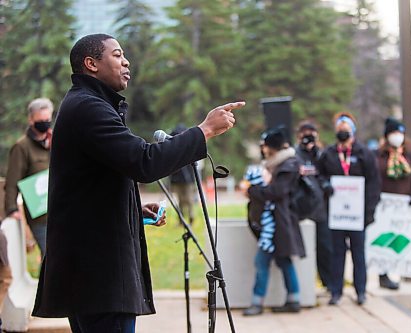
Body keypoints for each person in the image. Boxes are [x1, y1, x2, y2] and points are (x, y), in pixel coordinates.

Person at [32, 34, 244, 333]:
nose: (126, 61)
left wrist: (134, 209)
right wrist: (204, 130)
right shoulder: (88, 108)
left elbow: (91, 187)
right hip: (99, 276)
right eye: (117, 55)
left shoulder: (88, 104)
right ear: (91, 64)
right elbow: (143, 162)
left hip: (89, 274)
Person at [317, 112, 381, 306]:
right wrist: (325, 185)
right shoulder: (329, 154)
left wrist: (368, 211)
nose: (343, 133)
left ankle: (360, 290)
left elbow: (373, 183)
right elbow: (319, 176)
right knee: (337, 253)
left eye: (346, 130)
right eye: (340, 130)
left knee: (358, 253)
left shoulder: (364, 154)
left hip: (357, 214)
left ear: (352, 131)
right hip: (336, 213)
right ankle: (336, 291)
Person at [242, 127, 305, 316]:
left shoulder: (287, 165)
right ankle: (293, 300)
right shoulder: (277, 164)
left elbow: (277, 192)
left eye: (265, 146)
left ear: (272, 148)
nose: (263, 150)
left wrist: (251, 191)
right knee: (284, 261)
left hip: (278, 225)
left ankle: (257, 303)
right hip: (276, 223)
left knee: (262, 262)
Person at [375, 118, 411, 290]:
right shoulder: (379, 155)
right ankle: (383, 274)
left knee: (400, 238)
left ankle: (400, 270)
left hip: (404, 206)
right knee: (384, 238)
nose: (397, 137)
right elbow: (375, 176)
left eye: (400, 133)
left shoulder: (409, 155)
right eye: (394, 133)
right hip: (385, 205)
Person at [4, 98, 54, 257]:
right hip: (40, 217)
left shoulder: (56, 140)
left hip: (59, 210)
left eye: (48, 120)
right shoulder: (22, 147)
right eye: (41, 120)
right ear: (31, 119)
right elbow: (12, 181)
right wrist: (11, 209)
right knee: (50, 257)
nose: (45, 124)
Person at [294, 122, 334, 291]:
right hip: (302, 208)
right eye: (305, 133)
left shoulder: (321, 155)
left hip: (320, 209)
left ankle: (328, 282)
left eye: (311, 133)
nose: (308, 136)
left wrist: (317, 154)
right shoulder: (295, 154)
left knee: (325, 248)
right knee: (304, 250)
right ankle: (306, 285)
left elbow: (328, 173)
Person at [168, 124, 196, 225]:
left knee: (188, 199)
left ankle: (190, 217)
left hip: (187, 179)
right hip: (177, 179)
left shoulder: (189, 147)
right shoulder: (172, 149)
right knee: (181, 200)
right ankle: (181, 220)